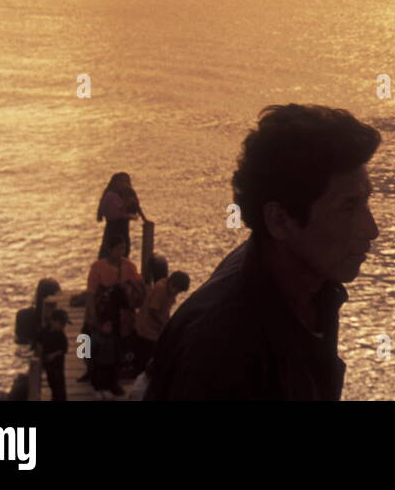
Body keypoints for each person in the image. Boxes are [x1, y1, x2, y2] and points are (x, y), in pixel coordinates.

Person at [145, 104, 380, 401]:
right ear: (279, 220)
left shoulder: (311, 288)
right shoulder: (223, 353)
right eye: (348, 207)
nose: (370, 229)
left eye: (366, 202)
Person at [85, 235, 145, 394]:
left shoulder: (129, 266)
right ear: (109, 250)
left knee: (117, 349)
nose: (121, 252)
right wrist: (91, 314)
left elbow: (137, 288)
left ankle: (113, 382)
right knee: (89, 342)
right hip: (104, 311)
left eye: (123, 248)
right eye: (118, 248)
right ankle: (92, 372)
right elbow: (91, 293)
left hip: (122, 314)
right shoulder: (98, 267)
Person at [132, 271, 191, 375]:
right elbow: (153, 310)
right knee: (146, 356)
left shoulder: (169, 290)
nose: (177, 294)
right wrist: (164, 324)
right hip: (148, 329)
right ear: (173, 284)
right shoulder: (161, 289)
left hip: (156, 329)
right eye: (178, 291)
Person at [96, 172, 146, 260]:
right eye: (121, 181)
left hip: (124, 228)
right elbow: (113, 215)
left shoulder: (129, 192)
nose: (123, 183)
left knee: (125, 248)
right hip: (113, 228)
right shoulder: (110, 195)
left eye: (125, 181)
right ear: (114, 182)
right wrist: (129, 216)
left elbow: (137, 206)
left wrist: (144, 219)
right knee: (110, 250)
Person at [39, 309, 70, 402]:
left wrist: (53, 355)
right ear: (54, 322)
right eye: (61, 324)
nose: (63, 327)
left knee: (59, 385)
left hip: (57, 364)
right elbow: (39, 344)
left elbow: (64, 349)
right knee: (51, 382)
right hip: (48, 364)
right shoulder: (44, 331)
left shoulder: (60, 334)